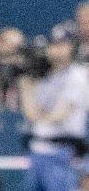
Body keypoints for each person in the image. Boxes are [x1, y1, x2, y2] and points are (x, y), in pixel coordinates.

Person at [21, 31, 89, 191]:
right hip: (37, 152)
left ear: (73, 48)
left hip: (63, 153)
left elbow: (59, 116)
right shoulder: (42, 77)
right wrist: (25, 84)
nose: (57, 49)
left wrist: (39, 115)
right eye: (54, 44)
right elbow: (30, 114)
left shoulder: (77, 75)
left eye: (63, 44)